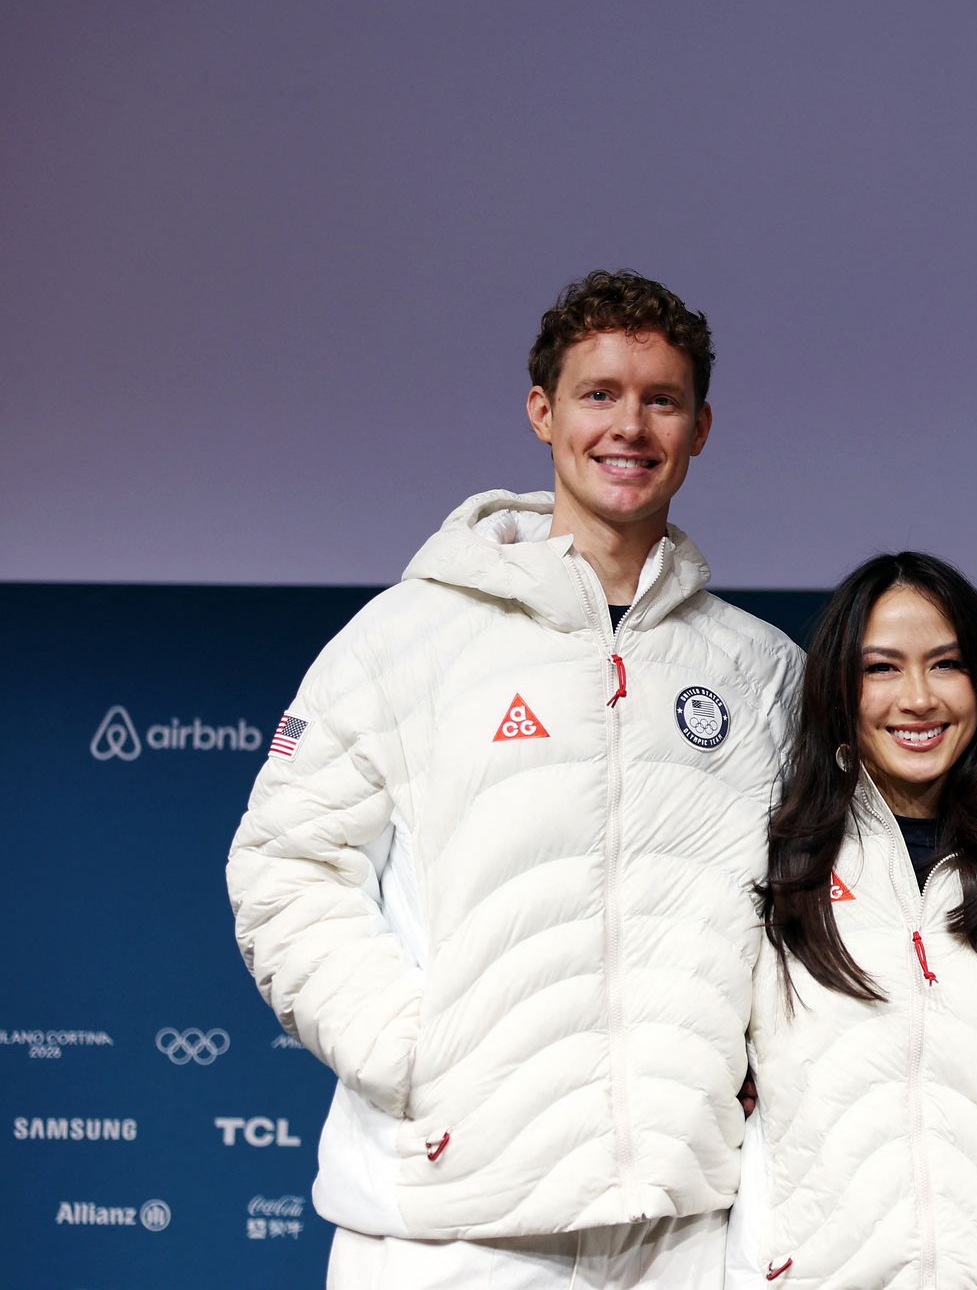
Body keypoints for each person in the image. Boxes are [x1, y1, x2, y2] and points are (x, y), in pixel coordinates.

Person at [225, 270, 803, 1288]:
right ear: (542, 412)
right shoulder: (407, 637)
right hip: (451, 1224)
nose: (629, 425)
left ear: (700, 427)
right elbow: (286, 869)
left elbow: (809, 911)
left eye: (660, 399)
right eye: (598, 394)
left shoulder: (757, 670)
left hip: (683, 1225)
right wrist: (419, 1056)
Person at [726, 551, 977, 1289]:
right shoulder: (770, 862)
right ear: (838, 688)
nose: (918, 697)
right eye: (881, 668)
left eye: (945, 663)